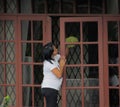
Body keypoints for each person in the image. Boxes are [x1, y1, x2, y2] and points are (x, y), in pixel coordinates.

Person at [41, 42, 66, 107]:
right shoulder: (48, 63)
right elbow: (59, 75)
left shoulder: (54, 58)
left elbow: (63, 57)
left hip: (51, 88)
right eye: (55, 49)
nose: (57, 49)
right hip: (50, 89)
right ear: (51, 53)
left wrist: (67, 46)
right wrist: (61, 65)